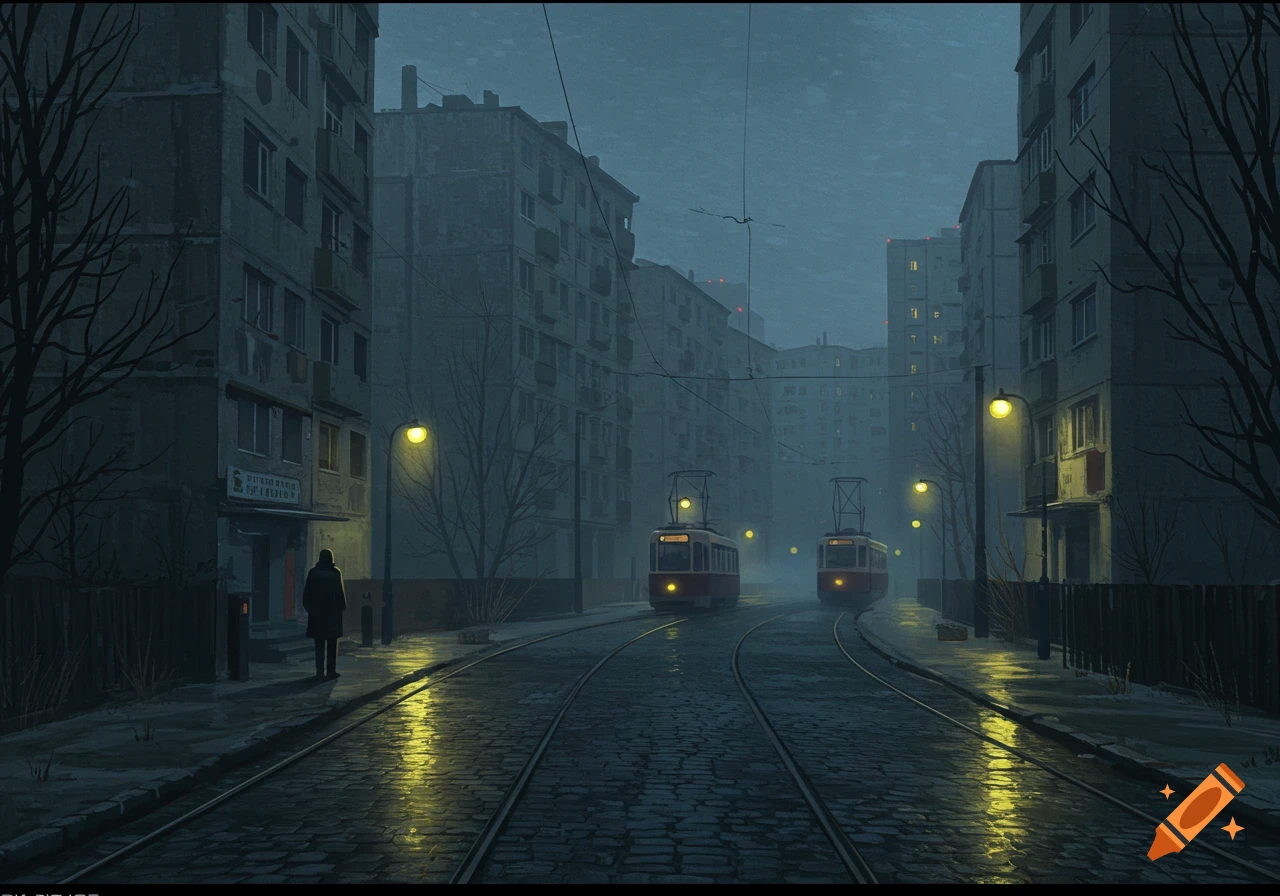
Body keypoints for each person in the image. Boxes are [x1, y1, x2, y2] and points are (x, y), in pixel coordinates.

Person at [303, 548, 347, 681]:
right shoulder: (335, 573)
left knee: (319, 645)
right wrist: (341, 609)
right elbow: (340, 595)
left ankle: (319, 671)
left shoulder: (313, 573)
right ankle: (331, 670)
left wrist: (311, 610)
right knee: (332, 645)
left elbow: (306, 595)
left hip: (317, 615)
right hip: (332, 615)